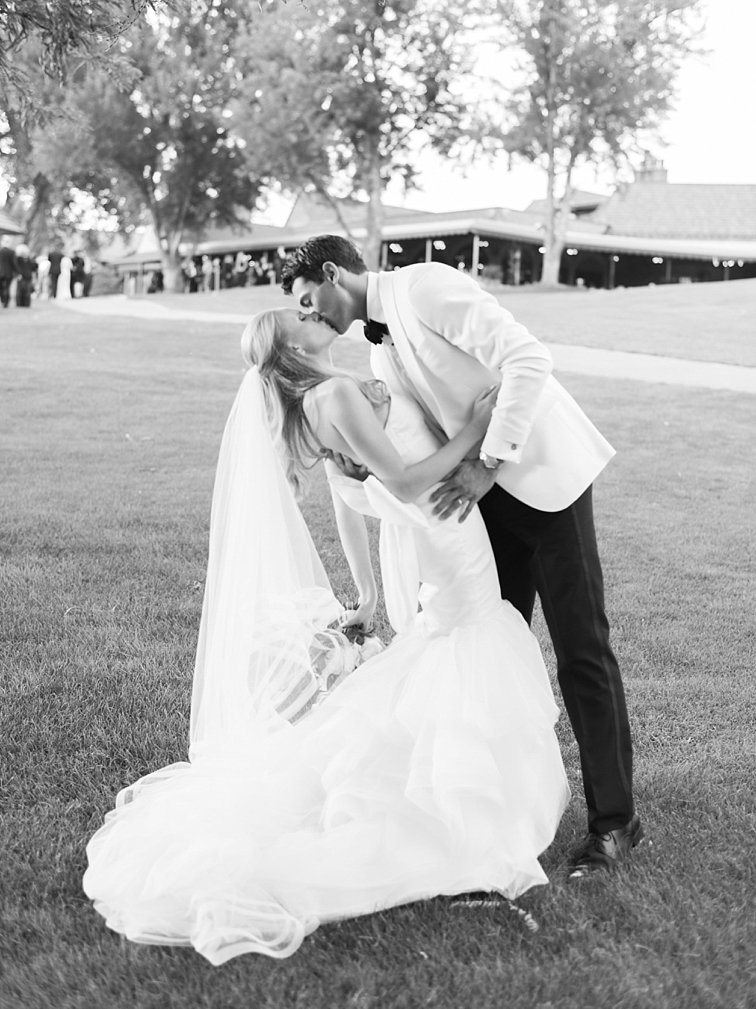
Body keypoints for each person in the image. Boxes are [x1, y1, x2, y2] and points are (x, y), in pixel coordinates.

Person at [83, 307, 569, 964]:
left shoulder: (315, 405)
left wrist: (369, 591)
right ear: (290, 348)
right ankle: (465, 818)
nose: (312, 315)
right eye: (299, 318)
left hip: (428, 539)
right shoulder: (336, 391)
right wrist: (478, 435)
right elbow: (400, 480)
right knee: (466, 638)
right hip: (444, 528)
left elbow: (350, 495)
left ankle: (448, 792)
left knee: (446, 644)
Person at [281, 235, 642, 878]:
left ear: (333, 273)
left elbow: (528, 359)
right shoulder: (374, 346)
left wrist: (487, 460)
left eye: (310, 299)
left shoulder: (426, 287)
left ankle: (615, 824)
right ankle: (498, 816)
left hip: (543, 478)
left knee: (582, 649)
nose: (313, 315)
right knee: (488, 655)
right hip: (480, 508)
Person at [0, 236, 16, 308]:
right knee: (7, 287)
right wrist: (17, 271)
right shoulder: (11, 252)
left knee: (1, 287)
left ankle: (3, 300)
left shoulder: (1, 251)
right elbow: (13, 263)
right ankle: (6, 302)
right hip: (9, 272)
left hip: (1, 272)